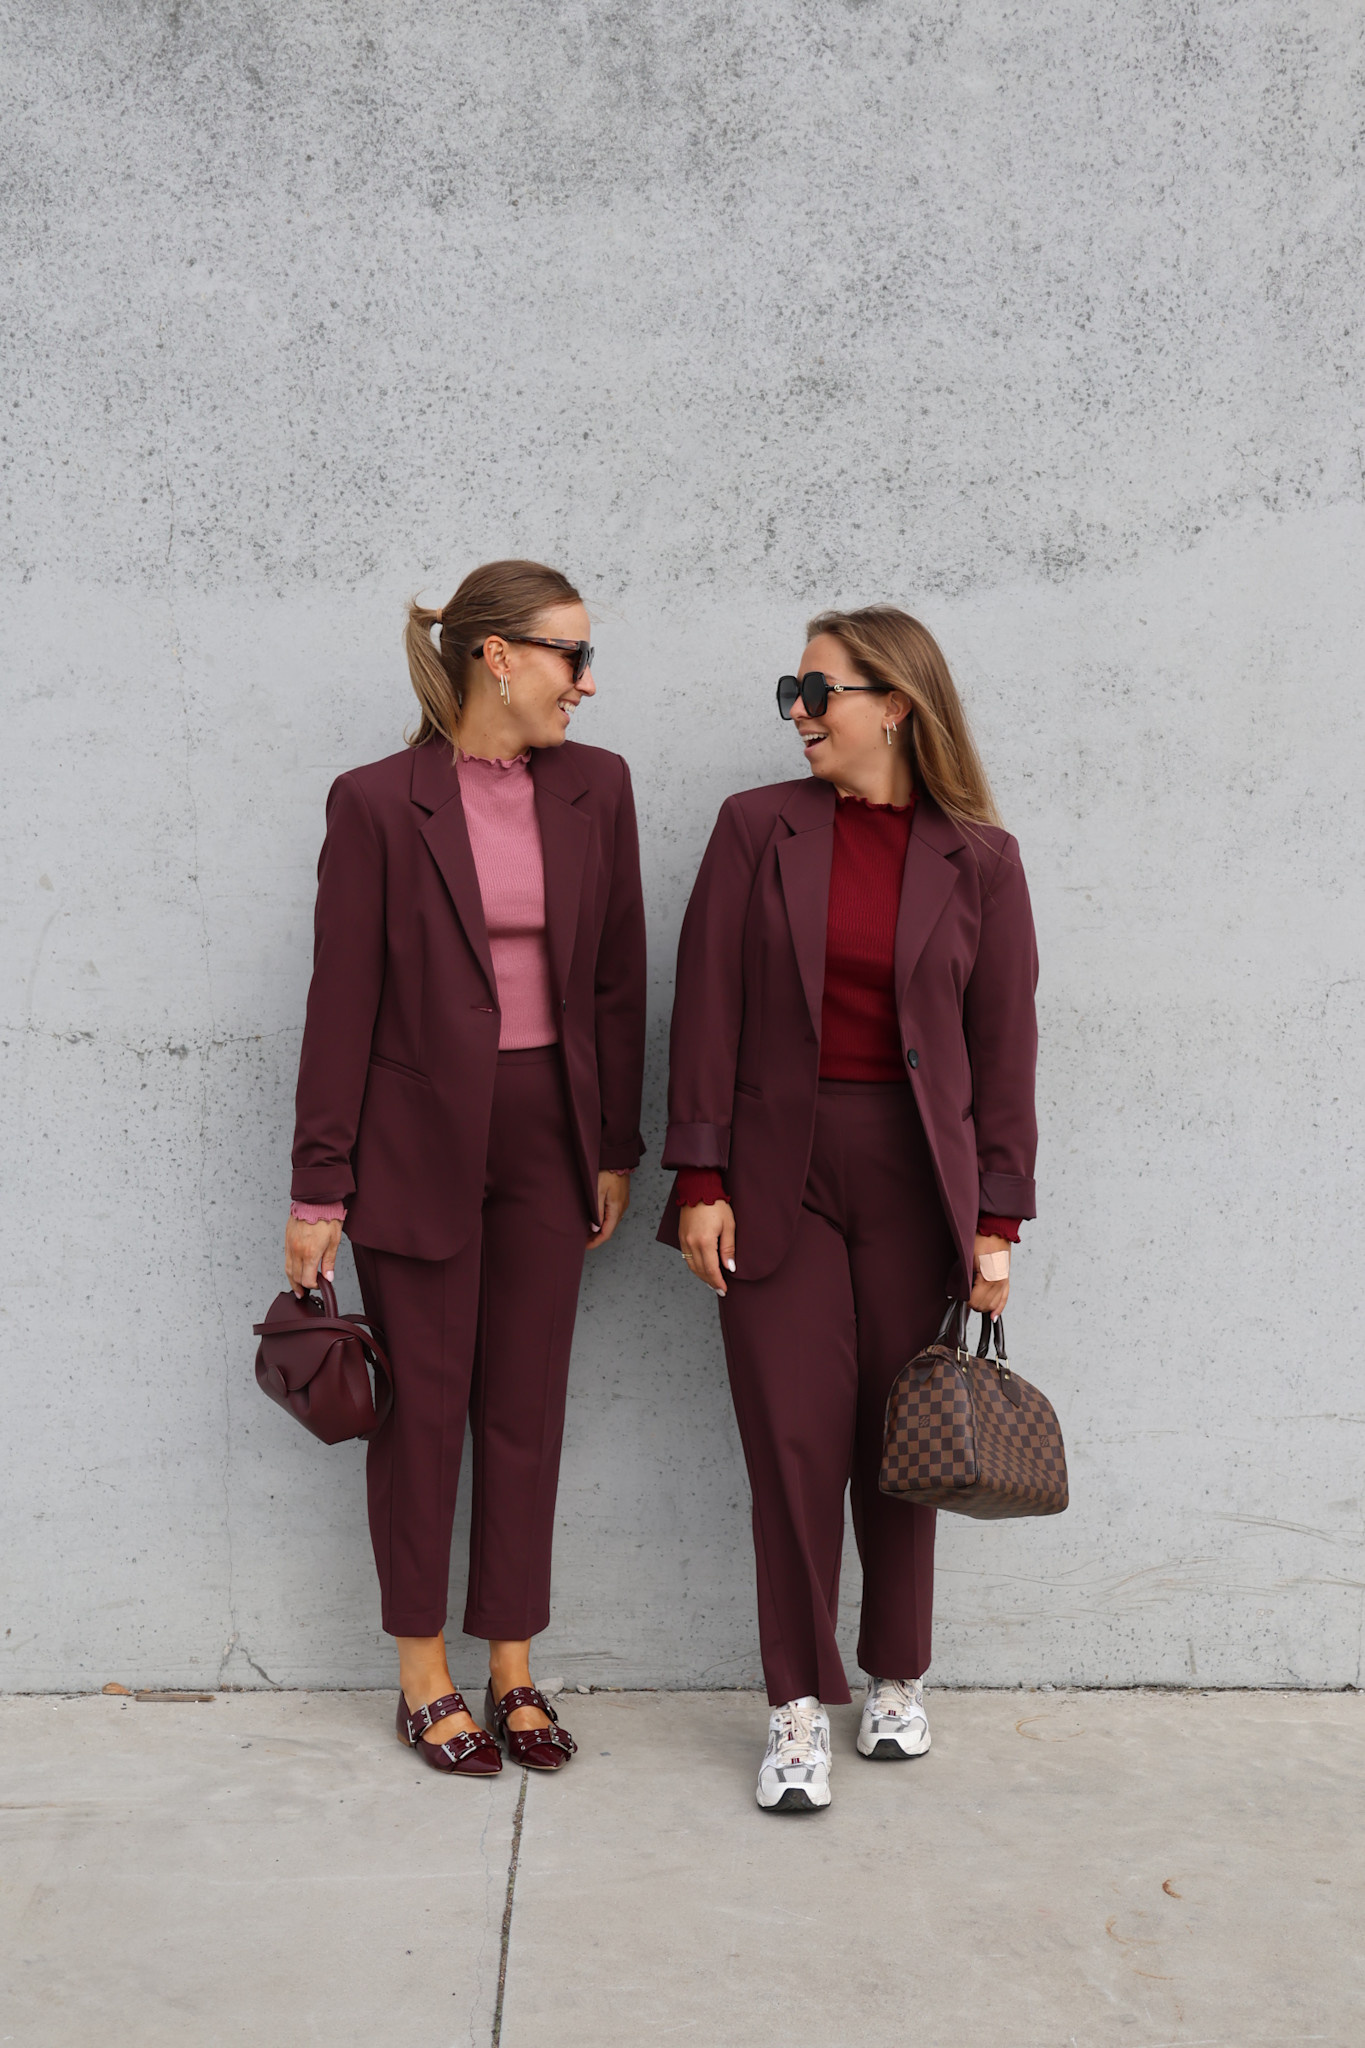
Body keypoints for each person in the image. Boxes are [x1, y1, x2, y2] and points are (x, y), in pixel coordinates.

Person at [659, 606, 1037, 1811]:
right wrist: (700, 1178)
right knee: (791, 1442)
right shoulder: (756, 828)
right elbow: (705, 1005)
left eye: (817, 691)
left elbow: (1004, 1050)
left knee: (902, 1437)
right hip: (779, 1174)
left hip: (920, 1184)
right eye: (793, 690)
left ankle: (896, 1675)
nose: (798, 713)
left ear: (896, 704)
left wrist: (997, 1221)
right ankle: (794, 1705)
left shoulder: (981, 859)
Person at [285, 559, 646, 1777]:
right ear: (498, 654)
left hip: (552, 1134)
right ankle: (422, 1672)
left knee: (526, 1406)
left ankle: (512, 1662)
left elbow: (617, 980)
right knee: (424, 1412)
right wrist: (319, 1186)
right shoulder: (379, 804)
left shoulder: (598, 788)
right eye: (572, 656)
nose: (585, 682)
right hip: (416, 1143)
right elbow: (341, 1001)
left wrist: (613, 1144)